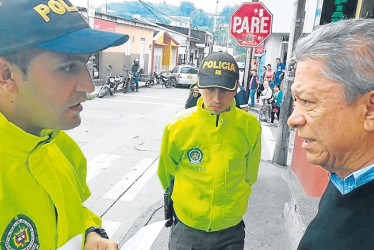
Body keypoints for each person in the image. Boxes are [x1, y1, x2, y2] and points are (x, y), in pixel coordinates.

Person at [0, 0, 128, 249]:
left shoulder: (61, 146)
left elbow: (71, 211)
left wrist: (90, 234)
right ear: (7, 75)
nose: (89, 86)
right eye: (68, 67)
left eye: (87, 64)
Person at [158, 52, 261, 250]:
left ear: (236, 88)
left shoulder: (250, 126)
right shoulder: (178, 126)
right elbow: (166, 174)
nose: (216, 97)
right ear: (198, 85)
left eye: (224, 90)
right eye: (210, 88)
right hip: (188, 229)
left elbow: (250, 176)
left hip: (230, 230)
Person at [287, 18, 374, 250]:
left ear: (370, 109)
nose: (293, 120)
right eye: (296, 101)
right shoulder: (345, 178)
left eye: (307, 101)